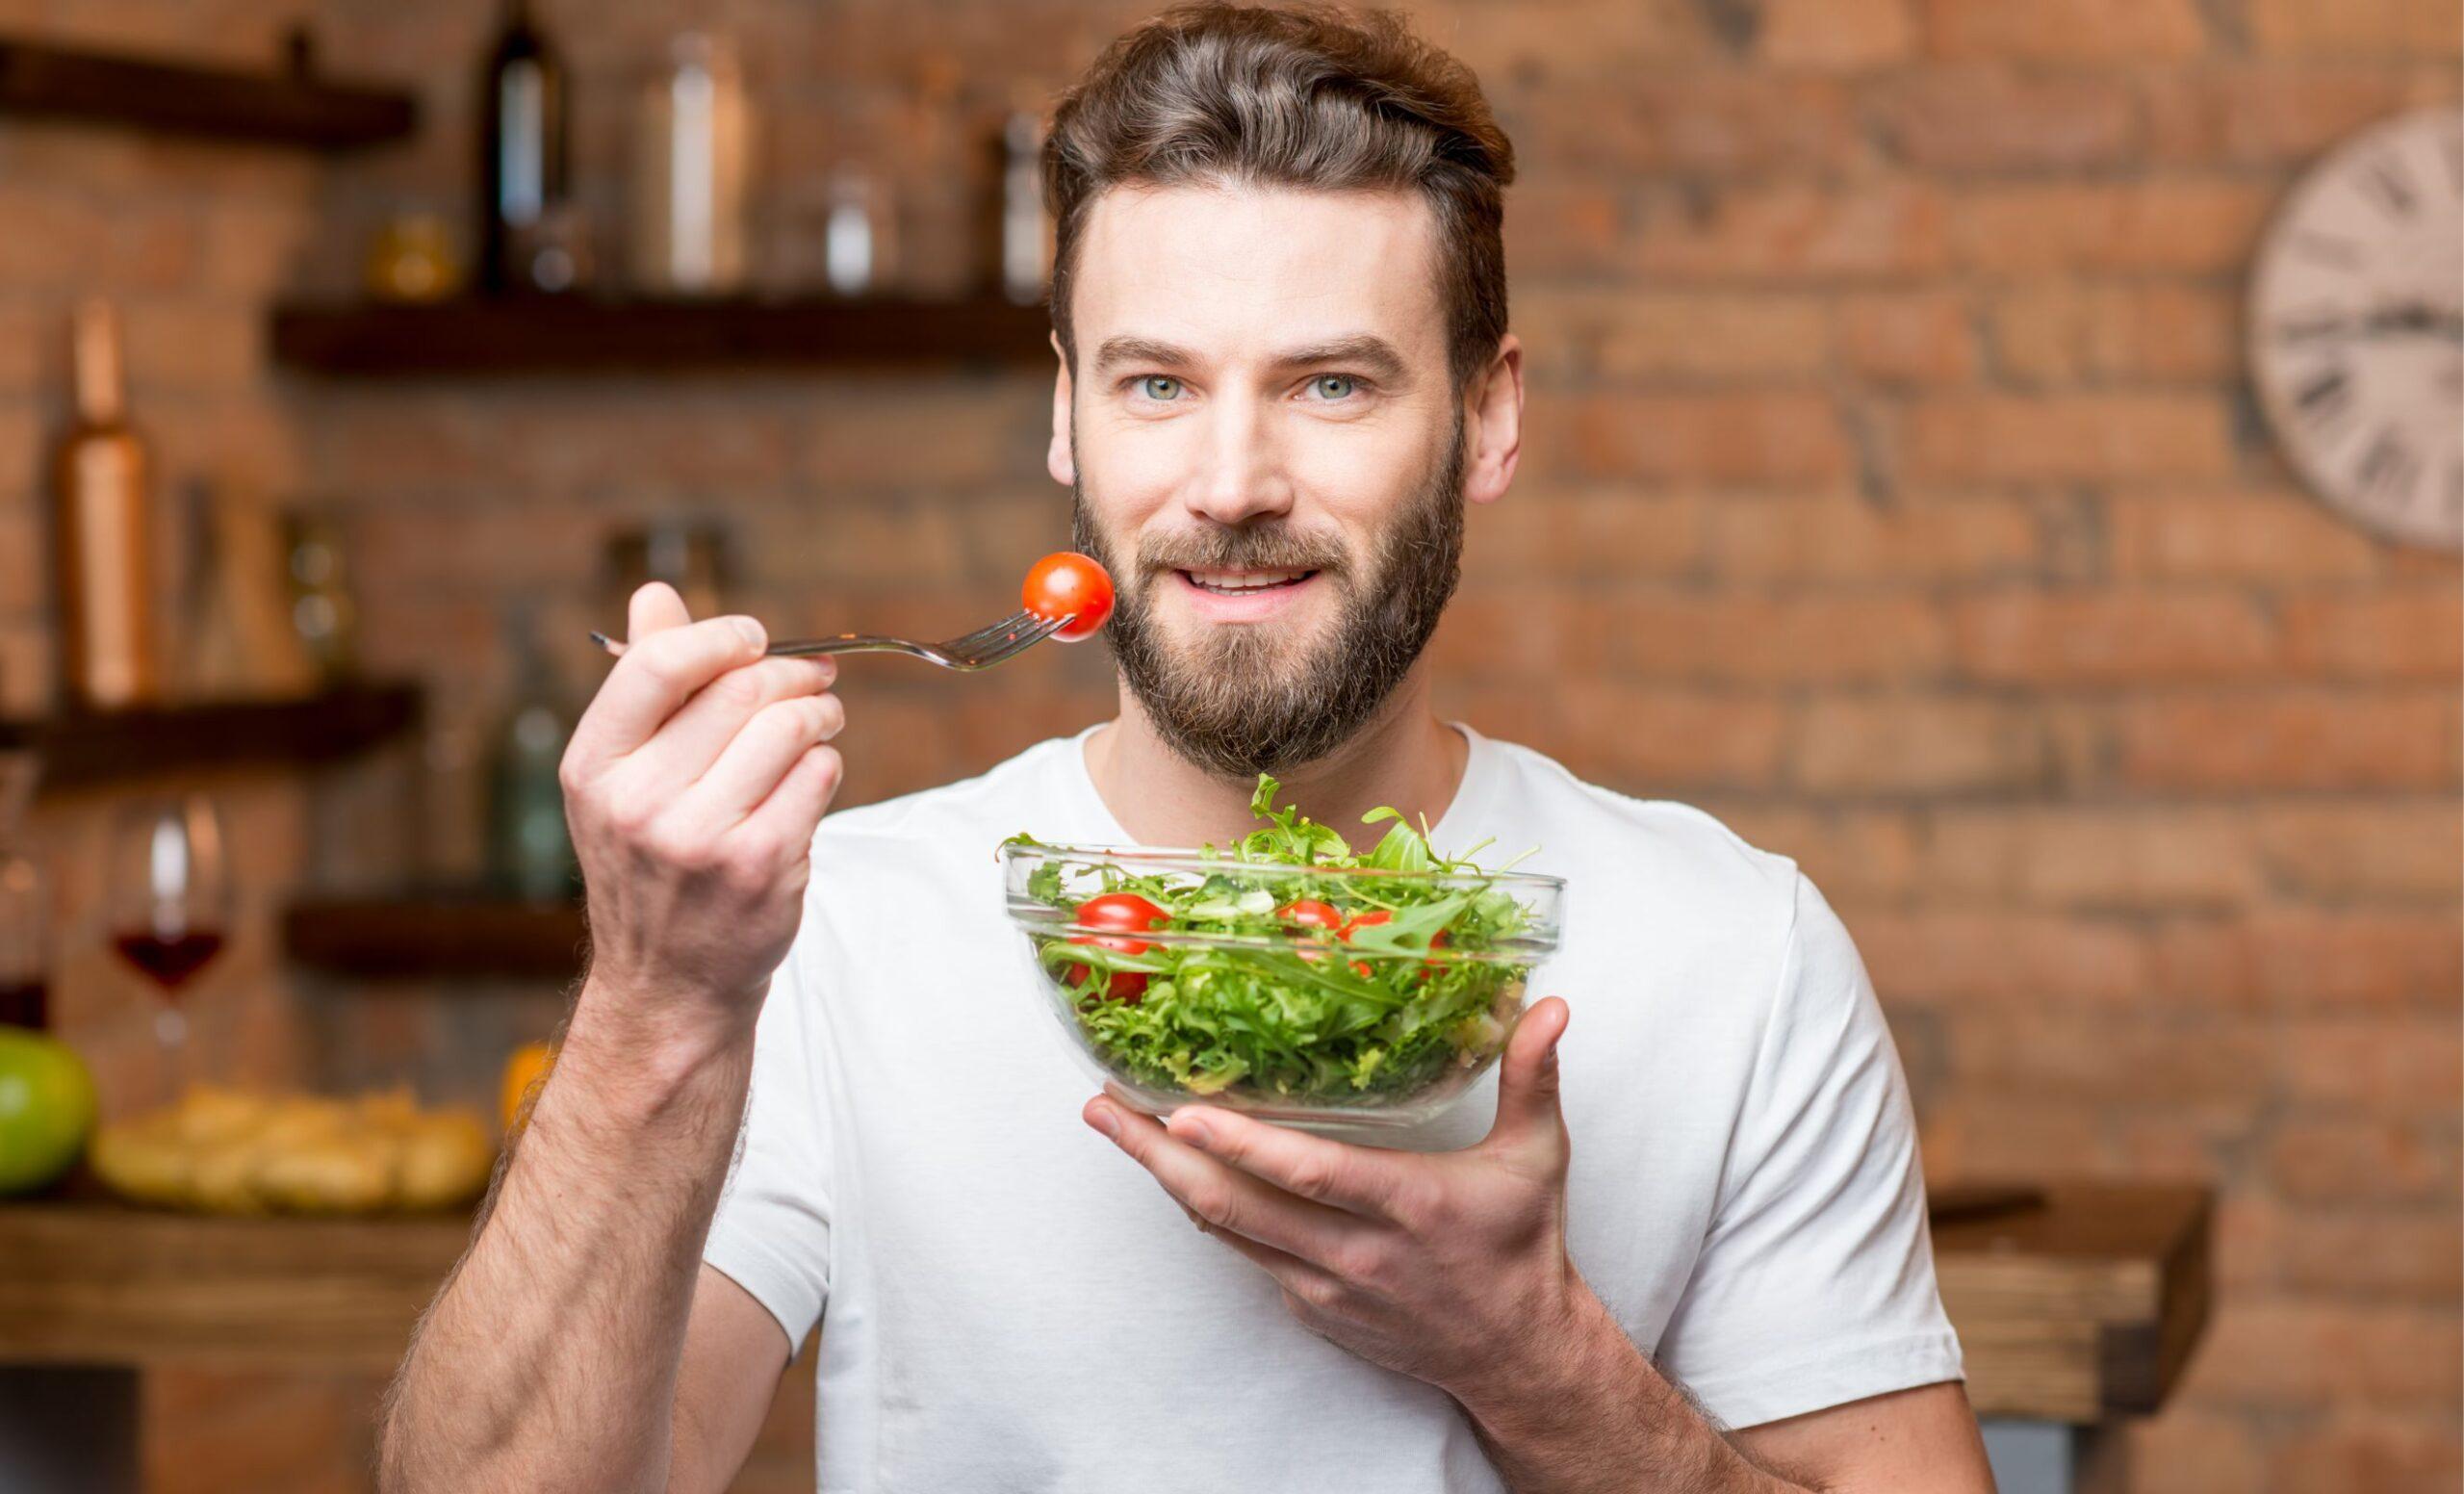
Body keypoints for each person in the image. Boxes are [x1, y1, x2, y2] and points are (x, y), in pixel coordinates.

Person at [378, 7, 1995, 1491]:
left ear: (1489, 417)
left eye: (1332, 385)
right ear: (1070, 416)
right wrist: (655, 1010)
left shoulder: (1738, 951)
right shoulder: (835, 935)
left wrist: (1540, 1362)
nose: (1230, 481)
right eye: (1160, 382)